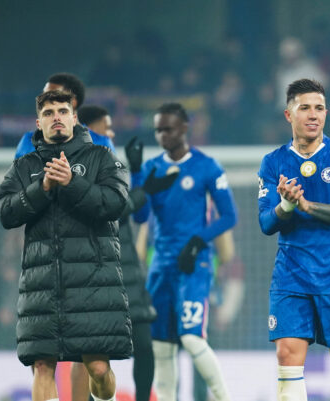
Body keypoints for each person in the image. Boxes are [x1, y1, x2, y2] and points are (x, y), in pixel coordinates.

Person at [0, 90, 132, 401]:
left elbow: (116, 203)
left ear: (74, 118)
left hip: (92, 285)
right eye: (49, 112)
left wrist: (72, 183)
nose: (56, 116)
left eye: (62, 111)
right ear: (39, 123)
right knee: (42, 365)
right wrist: (41, 188)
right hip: (43, 286)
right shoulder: (24, 166)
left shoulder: (101, 158)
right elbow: (3, 210)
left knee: (97, 369)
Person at [257, 78, 330, 401]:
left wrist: (307, 206)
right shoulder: (274, 162)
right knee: (287, 358)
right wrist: (286, 205)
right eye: (304, 107)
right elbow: (266, 222)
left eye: (319, 108)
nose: (313, 115)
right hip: (291, 275)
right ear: (288, 115)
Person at [60, 105, 171, 401]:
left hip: (128, 271)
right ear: (88, 131)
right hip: (94, 272)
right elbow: (108, 208)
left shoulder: (114, 165)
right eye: (105, 129)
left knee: (145, 347)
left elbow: (140, 215)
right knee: (91, 362)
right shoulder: (73, 168)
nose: (111, 134)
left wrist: (136, 172)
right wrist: (143, 188)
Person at [131, 103, 238, 401]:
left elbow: (230, 216)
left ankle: (223, 397)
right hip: (160, 268)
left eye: (168, 129)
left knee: (191, 338)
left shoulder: (207, 166)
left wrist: (198, 241)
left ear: (184, 128)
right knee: (161, 348)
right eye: (158, 130)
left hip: (194, 266)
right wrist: (138, 179)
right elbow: (140, 219)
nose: (162, 135)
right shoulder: (152, 167)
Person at [14, 73, 115, 158]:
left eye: (54, 95)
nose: (46, 99)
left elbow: (111, 180)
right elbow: (18, 179)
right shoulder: (29, 141)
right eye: (44, 95)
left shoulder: (101, 143)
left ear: (73, 102)